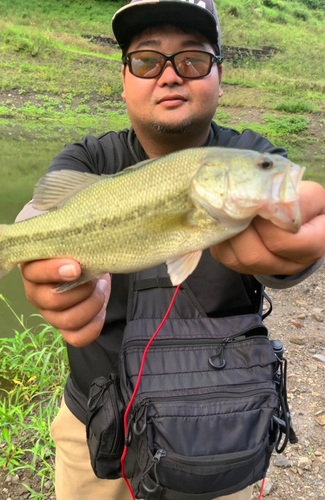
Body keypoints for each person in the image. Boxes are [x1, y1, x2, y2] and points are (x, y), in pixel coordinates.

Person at [17, 1, 325, 499]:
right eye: (146, 61)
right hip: (97, 429)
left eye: (192, 61)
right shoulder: (89, 159)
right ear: (124, 81)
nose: (169, 76)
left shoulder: (251, 154)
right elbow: (37, 213)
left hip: (223, 434)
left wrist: (299, 255)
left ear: (220, 79)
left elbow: (295, 231)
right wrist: (38, 265)